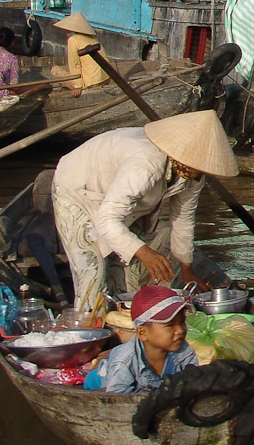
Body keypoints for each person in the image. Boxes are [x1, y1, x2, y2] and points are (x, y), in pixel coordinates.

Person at [52, 110, 237, 313]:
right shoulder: (145, 165)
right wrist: (143, 252)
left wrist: (187, 268)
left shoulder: (192, 175)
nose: (201, 173)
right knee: (92, 275)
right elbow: (107, 219)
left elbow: (183, 217)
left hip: (128, 202)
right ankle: (89, 330)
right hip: (78, 189)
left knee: (129, 278)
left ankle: (125, 325)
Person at [92, 285, 198, 393]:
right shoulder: (124, 361)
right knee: (95, 377)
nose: (180, 330)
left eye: (182, 322)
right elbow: (116, 401)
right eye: (170, 325)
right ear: (142, 333)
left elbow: (192, 385)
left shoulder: (184, 351)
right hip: (103, 380)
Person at [48, 12, 109, 95]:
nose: (67, 34)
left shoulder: (73, 40)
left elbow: (75, 64)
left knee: (55, 70)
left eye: (67, 31)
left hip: (91, 82)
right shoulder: (92, 38)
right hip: (105, 78)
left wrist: (77, 86)